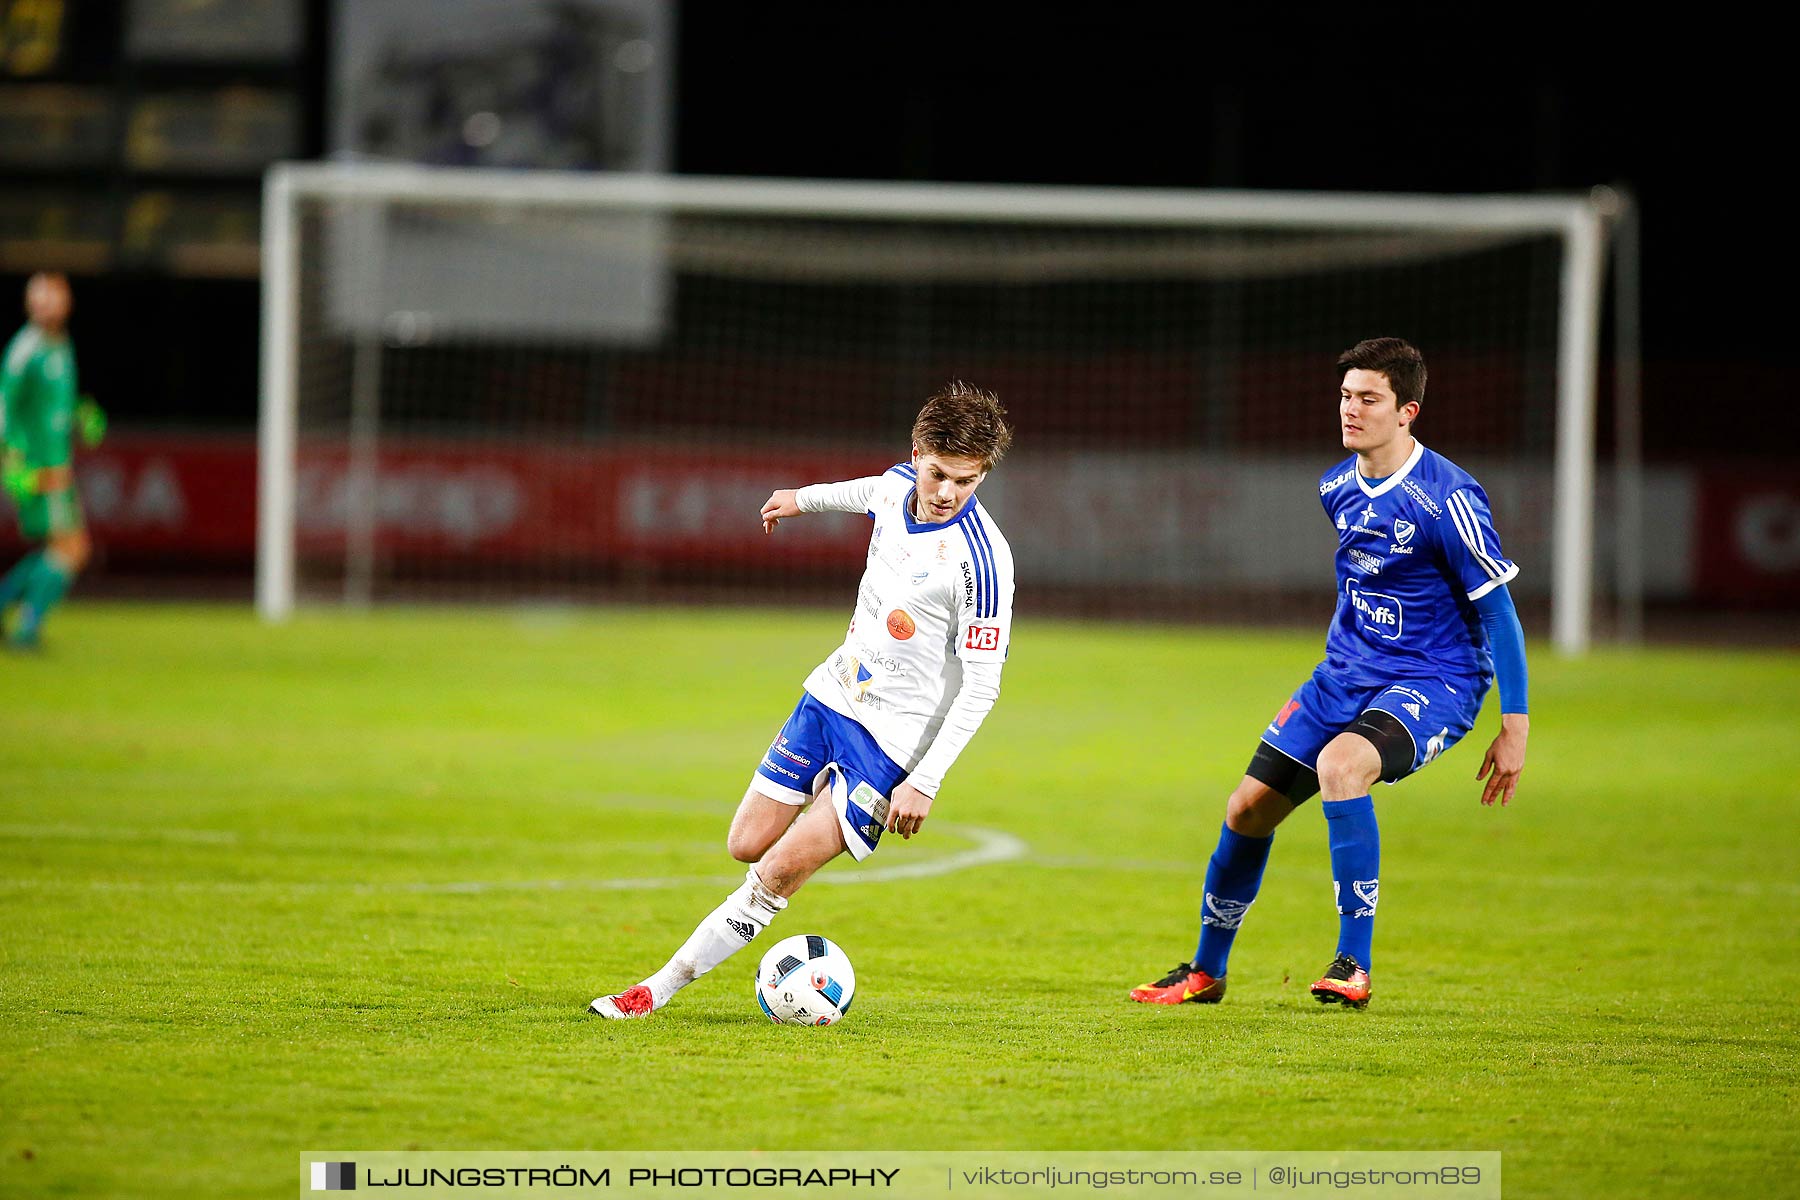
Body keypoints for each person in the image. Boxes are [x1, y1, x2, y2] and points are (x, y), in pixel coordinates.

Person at [590, 381, 1016, 1019]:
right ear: (918, 451)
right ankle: (826, 799)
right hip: (832, 695)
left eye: (967, 481)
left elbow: (983, 684)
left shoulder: (983, 563)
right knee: (745, 843)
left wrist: (924, 781)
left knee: (776, 873)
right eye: (938, 474)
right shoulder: (901, 485)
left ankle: (654, 991)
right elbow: (868, 490)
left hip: (892, 744)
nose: (948, 492)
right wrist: (797, 500)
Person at [1129, 337, 1529, 1010]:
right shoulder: (1336, 486)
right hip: (1343, 674)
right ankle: (1205, 971)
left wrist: (1513, 724)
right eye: (1346, 396)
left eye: (1369, 399)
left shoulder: (1449, 498)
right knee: (1246, 810)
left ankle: (1354, 963)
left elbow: (1500, 612)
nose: (1351, 410)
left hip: (1434, 681)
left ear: (1408, 412)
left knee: (1344, 766)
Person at [1, 273, 104, 651]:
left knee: (62, 549)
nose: (46, 305)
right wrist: (12, 464)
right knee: (72, 549)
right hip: (36, 468)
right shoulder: (24, 349)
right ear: (29, 304)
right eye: (39, 299)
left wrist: (80, 414)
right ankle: (27, 630)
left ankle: (8, 609)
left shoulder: (60, 345)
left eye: (53, 298)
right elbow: (4, 408)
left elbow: (52, 404)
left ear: (66, 302)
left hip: (57, 463)